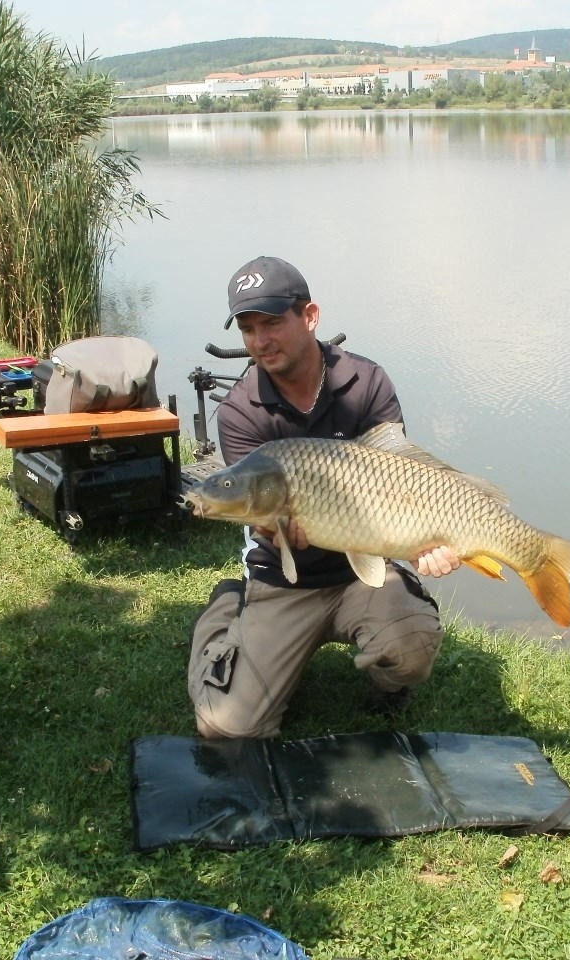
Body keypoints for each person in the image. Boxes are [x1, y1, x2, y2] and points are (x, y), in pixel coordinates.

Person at [188, 255, 461, 739]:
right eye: (248, 328)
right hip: (284, 578)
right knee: (226, 727)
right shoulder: (239, 413)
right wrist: (276, 526)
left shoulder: (367, 382)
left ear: (309, 316)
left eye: (272, 322)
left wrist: (431, 543)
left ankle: (388, 682)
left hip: (364, 574)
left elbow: (405, 480)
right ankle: (227, 610)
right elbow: (254, 511)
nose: (259, 341)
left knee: (411, 647)